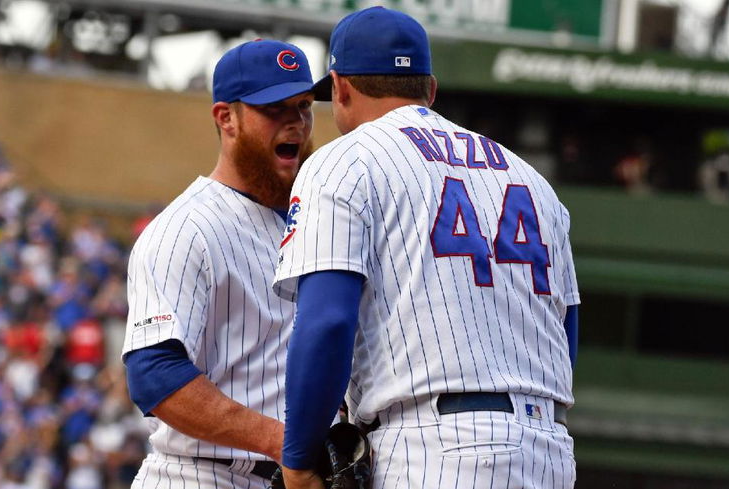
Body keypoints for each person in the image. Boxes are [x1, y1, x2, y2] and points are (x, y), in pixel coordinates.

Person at [274, 7, 580, 489]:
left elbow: (328, 320)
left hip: (434, 449)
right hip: (548, 450)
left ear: (340, 87)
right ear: (430, 91)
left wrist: (296, 460)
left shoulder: (344, 161)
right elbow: (566, 329)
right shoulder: (532, 180)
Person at [121, 39, 314, 488]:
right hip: (199, 475)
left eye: (303, 106)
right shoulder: (186, 228)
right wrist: (283, 441)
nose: (296, 122)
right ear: (226, 118)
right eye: (275, 108)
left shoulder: (309, 221)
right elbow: (155, 376)